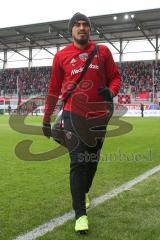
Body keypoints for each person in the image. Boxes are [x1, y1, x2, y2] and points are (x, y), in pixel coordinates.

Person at [42, 12, 121, 234]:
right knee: (78, 162)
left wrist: (111, 91)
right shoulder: (61, 56)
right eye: (77, 25)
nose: (82, 28)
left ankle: (84, 192)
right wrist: (47, 118)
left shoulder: (102, 51)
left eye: (85, 25)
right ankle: (80, 215)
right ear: (71, 30)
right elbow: (54, 89)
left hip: (99, 117)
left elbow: (116, 77)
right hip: (72, 115)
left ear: (90, 29)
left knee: (91, 161)